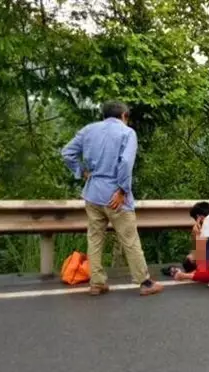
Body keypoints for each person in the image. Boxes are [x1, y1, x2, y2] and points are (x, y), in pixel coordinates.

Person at [61, 101, 163, 297]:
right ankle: (144, 282)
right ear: (124, 115)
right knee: (129, 239)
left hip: (92, 193)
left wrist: (81, 171)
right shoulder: (127, 133)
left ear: (104, 115)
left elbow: (67, 153)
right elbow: (125, 163)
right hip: (115, 195)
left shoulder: (89, 130)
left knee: (95, 239)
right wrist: (123, 190)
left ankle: (97, 283)